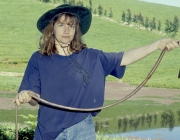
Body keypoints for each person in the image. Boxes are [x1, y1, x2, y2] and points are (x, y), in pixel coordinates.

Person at [13, 4, 179, 140]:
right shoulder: (38, 59)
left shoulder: (92, 56)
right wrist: (27, 95)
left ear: (76, 30)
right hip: (48, 131)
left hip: (82, 130)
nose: (66, 30)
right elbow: (35, 99)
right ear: (52, 28)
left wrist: (157, 45)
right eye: (61, 25)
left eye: (71, 26)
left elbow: (125, 57)